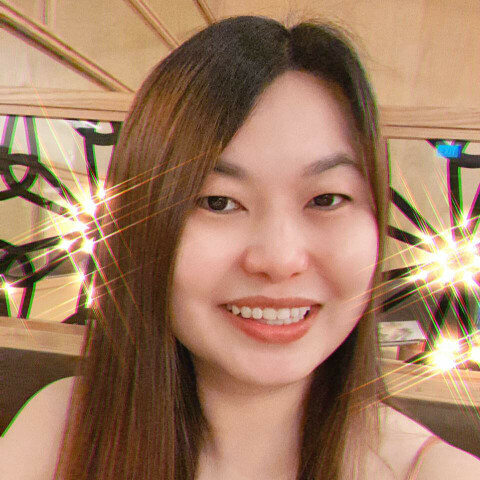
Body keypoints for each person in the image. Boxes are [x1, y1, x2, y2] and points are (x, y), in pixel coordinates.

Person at [1, 15, 479, 480]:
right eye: (218, 202)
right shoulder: (61, 431)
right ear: (141, 225)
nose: (279, 259)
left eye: (326, 199)